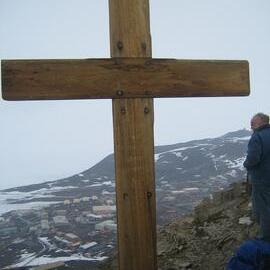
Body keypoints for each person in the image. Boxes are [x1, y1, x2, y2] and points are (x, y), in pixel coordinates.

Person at [244, 112, 270, 241]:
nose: (251, 125)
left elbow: (253, 158)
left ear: (261, 122)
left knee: (263, 207)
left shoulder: (257, 137)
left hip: (262, 178)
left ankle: (265, 237)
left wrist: (246, 164)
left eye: (253, 123)